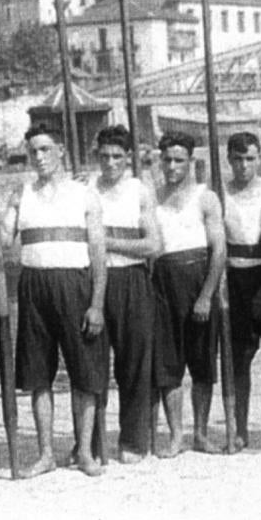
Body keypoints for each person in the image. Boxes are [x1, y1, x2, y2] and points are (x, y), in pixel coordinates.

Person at [0, 123, 107, 477]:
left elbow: (98, 254)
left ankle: (83, 451)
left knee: (84, 372)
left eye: (45, 150)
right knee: (38, 375)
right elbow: (1, 244)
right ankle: (46, 454)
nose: (38, 157)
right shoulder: (21, 194)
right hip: (34, 285)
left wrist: (96, 303)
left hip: (74, 284)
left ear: (61, 151)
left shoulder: (84, 194)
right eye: (33, 151)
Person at [152, 131, 226, 455]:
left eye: (178, 160)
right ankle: (176, 435)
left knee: (203, 363)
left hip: (198, 277)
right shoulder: (152, 198)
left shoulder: (205, 197)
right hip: (163, 283)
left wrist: (207, 295)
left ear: (190, 162)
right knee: (168, 364)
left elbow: (220, 251)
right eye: (167, 159)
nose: (172, 166)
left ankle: (201, 432)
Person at [89, 125, 157, 463]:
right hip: (92, 282)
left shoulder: (139, 191)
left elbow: (153, 245)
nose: (110, 163)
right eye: (104, 156)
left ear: (128, 158)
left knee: (134, 364)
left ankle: (132, 440)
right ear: (96, 156)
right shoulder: (86, 188)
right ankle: (92, 442)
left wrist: (107, 241)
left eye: (117, 156)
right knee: (92, 363)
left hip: (131, 280)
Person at [222, 131, 261, 448]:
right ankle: (239, 429)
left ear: (260, 159)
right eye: (238, 159)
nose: (244, 166)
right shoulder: (220, 192)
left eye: (250, 159)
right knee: (237, 361)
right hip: (236, 279)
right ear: (229, 159)